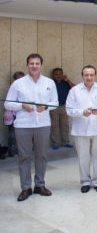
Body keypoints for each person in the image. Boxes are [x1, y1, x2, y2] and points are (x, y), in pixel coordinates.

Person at [4, 54, 58, 202]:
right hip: (23, 125)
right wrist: (22, 105)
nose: (34, 66)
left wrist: (45, 107)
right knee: (24, 157)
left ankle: (40, 185)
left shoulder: (49, 83)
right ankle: (26, 188)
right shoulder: (18, 84)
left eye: (37, 63)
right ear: (27, 65)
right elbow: (7, 104)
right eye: (31, 63)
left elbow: (55, 102)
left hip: (43, 124)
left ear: (41, 65)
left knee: (41, 156)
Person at [66, 65, 97, 194]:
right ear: (82, 76)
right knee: (83, 157)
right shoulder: (74, 90)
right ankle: (85, 181)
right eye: (86, 75)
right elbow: (69, 109)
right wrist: (81, 112)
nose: (89, 77)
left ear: (95, 76)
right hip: (81, 129)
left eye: (91, 75)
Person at [50, 68, 75, 149]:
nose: (58, 76)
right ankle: (56, 143)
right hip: (54, 107)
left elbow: (75, 89)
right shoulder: (51, 83)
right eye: (56, 74)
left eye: (60, 74)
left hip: (64, 107)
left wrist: (67, 80)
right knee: (55, 126)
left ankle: (65, 142)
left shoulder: (65, 83)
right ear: (53, 75)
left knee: (65, 125)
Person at [3, 71, 25, 158]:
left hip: (22, 115)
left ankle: (21, 151)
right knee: (13, 135)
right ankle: (13, 152)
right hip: (14, 115)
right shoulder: (13, 88)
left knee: (22, 135)